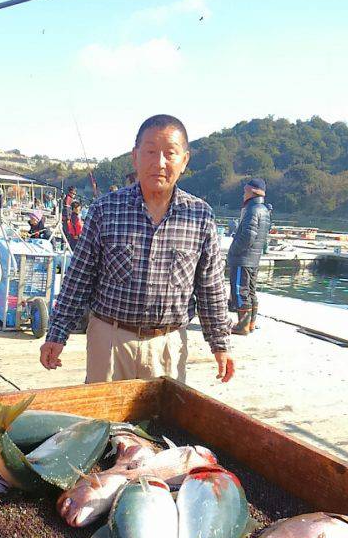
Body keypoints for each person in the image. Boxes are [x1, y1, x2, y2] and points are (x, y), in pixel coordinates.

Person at [40, 114, 234, 384]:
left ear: (185, 160)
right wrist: (56, 334)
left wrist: (220, 344)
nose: (160, 163)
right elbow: (79, 278)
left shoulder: (200, 216)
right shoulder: (105, 209)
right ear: (135, 157)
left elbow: (210, 287)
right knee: (103, 422)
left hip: (168, 344)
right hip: (110, 339)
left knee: (162, 424)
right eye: (151, 152)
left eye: (170, 154)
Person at [227, 177, 271, 335]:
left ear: (252, 192)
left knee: (240, 291)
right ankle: (251, 324)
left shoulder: (252, 210)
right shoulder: (264, 210)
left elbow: (248, 235)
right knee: (251, 291)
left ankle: (242, 325)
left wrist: (233, 251)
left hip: (243, 258)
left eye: (245, 191)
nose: (243, 194)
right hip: (254, 259)